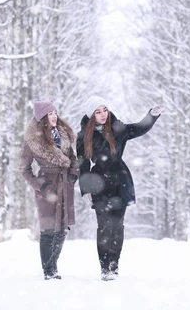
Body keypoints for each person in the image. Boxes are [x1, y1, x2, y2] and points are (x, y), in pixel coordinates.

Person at [76, 96, 163, 281]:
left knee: (117, 227)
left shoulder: (117, 128)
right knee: (104, 228)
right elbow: (82, 164)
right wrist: (86, 189)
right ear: (91, 115)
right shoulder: (83, 136)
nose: (102, 114)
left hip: (120, 181)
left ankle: (114, 266)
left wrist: (152, 116)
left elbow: (139, 128)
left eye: (104, 110)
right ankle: (104, 268)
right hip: (98, 182)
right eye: (97, 112)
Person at [20, 99, 79, 280]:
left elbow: (73, 158)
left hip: (64, 185)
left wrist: (73, 175)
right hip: (47, 189)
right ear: (42, 117)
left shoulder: (64, 134)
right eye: (50, 113)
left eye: (55, 113)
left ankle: (53, 265)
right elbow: (24, 169)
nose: (54, 116)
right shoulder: (33, 140)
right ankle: (49, 271)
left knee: (62, 230)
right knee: (48, 231)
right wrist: (41, 185)